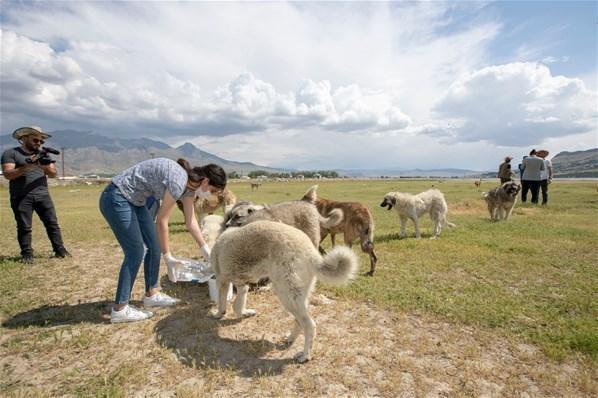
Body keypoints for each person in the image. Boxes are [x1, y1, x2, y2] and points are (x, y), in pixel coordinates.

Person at [99, 157, 227, 323]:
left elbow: (191, 221)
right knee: (136, 251)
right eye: (214, 190)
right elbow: (162, 221)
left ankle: (151, 294)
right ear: (206, 181)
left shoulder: (189, 189)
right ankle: (120, 309)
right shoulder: (179, 181)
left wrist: (206, 250)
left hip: (136, 202)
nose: (212, 196)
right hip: (117, 197)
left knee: (154, 246)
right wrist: (169, 258)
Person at [1, 126, 71, 263]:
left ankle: (60, 250)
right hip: (20, 196)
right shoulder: (10, 153)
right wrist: (27, 166)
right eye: (35, 140)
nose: (39, 143)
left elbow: (53, 174)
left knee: (52, 223)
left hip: (42, 194)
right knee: (24, 226)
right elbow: (8, 174)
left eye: (41, 141)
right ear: (24, 138)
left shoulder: (43, 154)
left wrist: (42, 165)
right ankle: (27, 254)